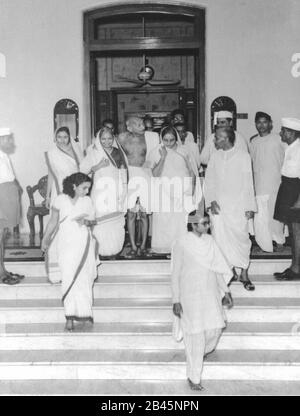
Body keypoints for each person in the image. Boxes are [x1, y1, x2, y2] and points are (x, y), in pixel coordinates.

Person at [172, 210, 233, 391]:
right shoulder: (181, 243)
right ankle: (194, 377)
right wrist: (176, 299)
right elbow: (175, 274)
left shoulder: (210, 242)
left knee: (215, 330)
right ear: (193, 224)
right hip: (189, 296)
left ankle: (197, 354)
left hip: (210, 293)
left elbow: (216, 268)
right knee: (195, 336)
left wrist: (226, 290)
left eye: (208, 222)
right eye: (204, 223)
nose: (207, 226)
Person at [41, 173, 98, 331]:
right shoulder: (60, 199)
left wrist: (86, 221)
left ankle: (85, 314)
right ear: (73, 186)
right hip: (65, 244)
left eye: (88, 188)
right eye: (84, 188)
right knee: (68, 278)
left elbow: (93, 221)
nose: (87, 191)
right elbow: (52, 222)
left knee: (84, 279)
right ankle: (69, 317)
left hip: (83, 243)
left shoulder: (87, 201)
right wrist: (45, 239)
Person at [204, 126, 257, 290]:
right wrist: (211, 200)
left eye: (217, 138)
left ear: (226, 139)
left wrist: (249, 206)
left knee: (242, 240)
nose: (214, 140)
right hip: (219, 207)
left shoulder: (243, 156)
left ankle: (244, 274)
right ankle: (226, 274)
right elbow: (209, 180)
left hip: (239, 206)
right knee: (220, 240)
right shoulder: (215, 156)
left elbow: (248, 182)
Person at [148, 126, 201, 254]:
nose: (169, 143)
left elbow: (192, 171)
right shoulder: (155, 151)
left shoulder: (184, 151)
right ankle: (163, 247)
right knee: (163, 220)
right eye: (166, 140)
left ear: (176, 138)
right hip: (163, 192)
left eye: (172, 140)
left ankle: (180, 247)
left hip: (182, 191)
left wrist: (192, 188)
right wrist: (163, 157)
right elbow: (154, 174)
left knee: (179, 221)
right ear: (161, 139)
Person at [80, 127, 128, 257]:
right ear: (99, 139)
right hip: (99, 191)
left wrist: (124, 189)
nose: (107, 142)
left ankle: (114, 248)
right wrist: (98, 166)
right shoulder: (93, 153)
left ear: (113, 139)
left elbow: (123, 170)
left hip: (115, 190)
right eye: (103, 139)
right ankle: (101, 249)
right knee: (100, 220)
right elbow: (83, 170)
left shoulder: (118, 153)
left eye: (109, 138)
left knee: (114, 220)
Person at [118, 116, 159, 258]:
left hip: (145, 176)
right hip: (129, 176)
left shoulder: (152, 137)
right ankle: (133, 245)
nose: (142, 126)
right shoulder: (122, 138)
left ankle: (143, 246)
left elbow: (155, 157)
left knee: (143, 213)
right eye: (138, 124)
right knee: (130, 213)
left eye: (142, 124)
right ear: (129, 127)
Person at [249, 112, 285, 252]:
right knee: (261, 215)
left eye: (265, 122)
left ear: (270, 123)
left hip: (276, 182)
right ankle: (264, 242)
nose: (262, 125)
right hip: (259, 183)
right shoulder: (254, 141)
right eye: (259, 122)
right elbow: (251, 163)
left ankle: (279, 241)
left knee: (275, 214)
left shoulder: (278, 139)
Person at [274, 118, 300, 281]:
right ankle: (294, 266)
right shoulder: (291, 147)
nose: (280, 133)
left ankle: (297, 269)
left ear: (290, 133)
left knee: (297, 234)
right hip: (289, 190)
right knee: (293, 233)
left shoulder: (299, 149)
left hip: (296, 194)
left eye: (283, 130)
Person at [0, 128, 24, 285]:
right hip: (1, 198)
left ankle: (2, 270)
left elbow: (12, 178)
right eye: (8, 139)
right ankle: (1, 274)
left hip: (8, 197)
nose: (11, 142)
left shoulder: (4, 156)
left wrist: (18, 189)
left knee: (2, 238)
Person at [45, 126, 83, 208]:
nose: (62, 140)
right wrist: (48, 197)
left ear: (69, 137)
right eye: (59, 137)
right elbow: (51, 176)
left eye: (65, 137)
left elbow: (82, 172)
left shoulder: (76, 151)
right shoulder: (52, 154)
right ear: (56, 138)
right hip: (58, 188)